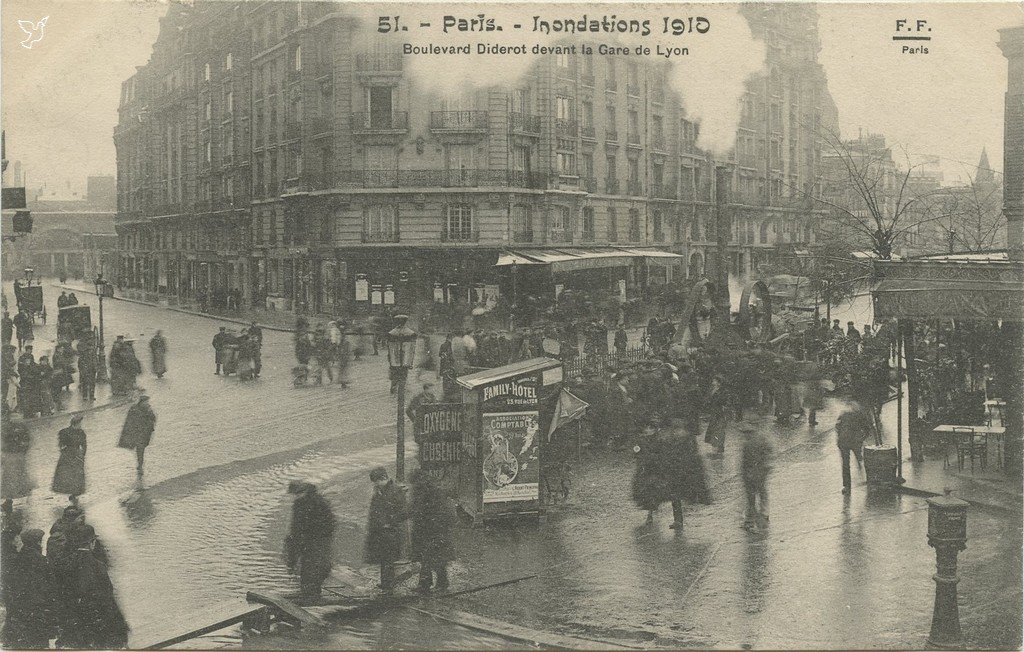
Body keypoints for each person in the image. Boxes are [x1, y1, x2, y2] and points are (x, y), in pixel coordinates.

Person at [54, 523, 129, 649]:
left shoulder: (64, 563)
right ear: (92, 542)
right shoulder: (97, 565)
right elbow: (107, 595)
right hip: (96, 622)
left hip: (73, 622)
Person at [2, 528, 58, 649]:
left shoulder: (13, 560)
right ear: (38, 543)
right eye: (41, 542)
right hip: (38, 617)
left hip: (18, 618)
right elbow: (51, 591)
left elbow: (7, 591)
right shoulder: (42, 561)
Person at [284, 481, 336, 600]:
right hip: (311, 541)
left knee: (312, 566)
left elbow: (328, 523)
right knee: (310, 567)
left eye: (297, 494)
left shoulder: (313, 503)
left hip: (315, 541)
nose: (295, 497)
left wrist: (313, 537)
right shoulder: (306, 502)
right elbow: (296, 525)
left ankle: (311, 594)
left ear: (303, 492)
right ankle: (310, 592)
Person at [409, 470, 454, 593]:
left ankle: (435, 584)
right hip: (429, 530)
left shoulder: (428, 492)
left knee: (432, 557)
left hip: (432, 530)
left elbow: (420, 510)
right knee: (431, 558)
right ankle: (430, 583)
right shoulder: (428, 490)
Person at [364, 467, 407, 593]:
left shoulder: (396, 491)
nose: (376, 484)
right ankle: (385, 583)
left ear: (384, 478)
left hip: (391, 531)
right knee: (384, 558)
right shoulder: (379, 491)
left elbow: (403, 512)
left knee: (389, 559)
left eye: (377, 481)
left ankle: (388, 586)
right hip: (380, 531)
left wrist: (389, 522)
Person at [740, 425, 773, 531]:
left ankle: (750, 521)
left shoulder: (747, 444)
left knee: (751, 498)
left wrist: (745, 475)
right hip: (761, 473)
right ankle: (764, 514)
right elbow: (769, 451)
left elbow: (745, 463)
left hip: (751, 474)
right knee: (762, 494)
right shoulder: (762, 439)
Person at [836, 404, 873, 494]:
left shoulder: (843, 414)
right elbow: (867, 429)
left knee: (845, 464)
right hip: (854, 441)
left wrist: (839, 436)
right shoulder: (860, 415)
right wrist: (862, 438)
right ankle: (869, 479)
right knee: (859, 456)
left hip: (844, 441)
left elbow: (837, 426)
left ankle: (847, 486)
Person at [1, 405, 34, 502]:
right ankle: (9, 500)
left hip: (19, 455)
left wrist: (24, 449)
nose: (16, 418)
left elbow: (27, 439)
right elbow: (4, 441)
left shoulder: (22, 427)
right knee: (9, 478)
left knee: (20, 476)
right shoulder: (7, 427)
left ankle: (22, 494)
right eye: (13, 416)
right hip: (10, 455)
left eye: (17, 416)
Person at [118, 394, 156, 476]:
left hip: (144, 434)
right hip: (138, 434)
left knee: (140, 450)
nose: (147, 403)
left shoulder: (148, 409)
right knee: (140, 450)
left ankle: (140, 465)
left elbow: (153, 418)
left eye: (147, 402)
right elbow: (130, 422)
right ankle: (140, 466)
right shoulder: (134, 409)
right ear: (141, 402)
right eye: (146, 402)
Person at [53, 414, 87, 502]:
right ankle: (70, 491)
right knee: (68, 474)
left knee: (76, 475)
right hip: (68, 455)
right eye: (79, 423)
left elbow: (84, 445)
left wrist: (82, 455)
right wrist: (64, 452)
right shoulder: (64, 432)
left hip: (77, 455)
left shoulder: (81, 433)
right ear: (75, 424)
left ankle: (75, 492)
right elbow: (61, 444)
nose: (80, 425)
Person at [704, 375, 728, 454]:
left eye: (714, 381)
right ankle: (716, 448)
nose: (712, 382)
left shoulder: (722, 391)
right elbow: (708, 399)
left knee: (719, 430)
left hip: (720, 412)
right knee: (714, 429)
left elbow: (723, 401)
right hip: (714, 412)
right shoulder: (712, 390)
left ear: (719, 383)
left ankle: (718, 448)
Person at [77, 334, 97, 401]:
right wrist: (82, 369)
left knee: (92, 383)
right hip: (86, 370)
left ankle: (91, 396)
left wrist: (96, 367)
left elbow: (95, 360)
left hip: (92, 370)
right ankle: (85, 396)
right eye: (90, 347)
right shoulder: (84, 353)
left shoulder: (93, 353)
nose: (91, 348)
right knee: (85, 383)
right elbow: (80, 362)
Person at [2, 344, 18, 409]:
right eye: (13, 350)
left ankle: (11, 406)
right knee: (8, 393)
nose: (13, 352)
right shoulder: (5, 357)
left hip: (10, 375)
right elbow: (7, 367)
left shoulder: (9, 356)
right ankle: (8, 407)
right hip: (8, 376)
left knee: (11, 392)